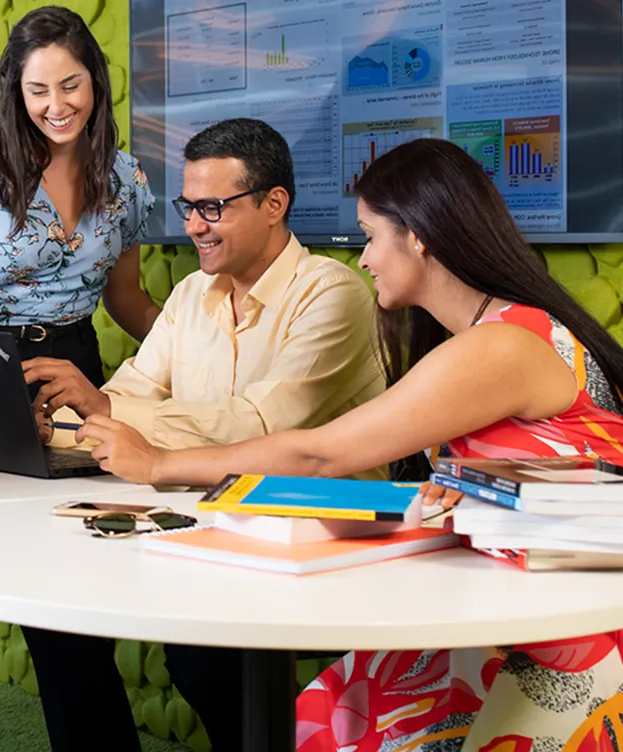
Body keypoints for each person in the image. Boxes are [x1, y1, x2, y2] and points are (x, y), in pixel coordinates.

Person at [80, 137, 623, 752]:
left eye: (369, 236)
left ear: (416, 236)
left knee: (332, 722)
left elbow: (319, 452)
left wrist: (158, 463)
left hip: (568, 635)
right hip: (523, 602)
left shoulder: (501, 345)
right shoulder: (493, 333)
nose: (363, 259)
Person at [19, 117, 388, 748]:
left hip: (313, 523)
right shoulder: (191, 294)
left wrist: (108, 413)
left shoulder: (334, 292)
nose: (194, 225)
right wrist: (66, 415)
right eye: (189, 206)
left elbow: (269, 425)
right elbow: (132, 393)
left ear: (276, 205)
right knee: (52, 611)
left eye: (212, 207)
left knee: (202, 653)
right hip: (194, 513)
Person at [0, 4, 158, 752]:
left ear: (97, 82)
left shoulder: (124, 177)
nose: (57, 106)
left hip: (75, 364)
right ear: (17, 93)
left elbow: (126, 297)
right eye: (38, 91)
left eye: (71, 85)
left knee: (71, 557)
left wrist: (192, 352)